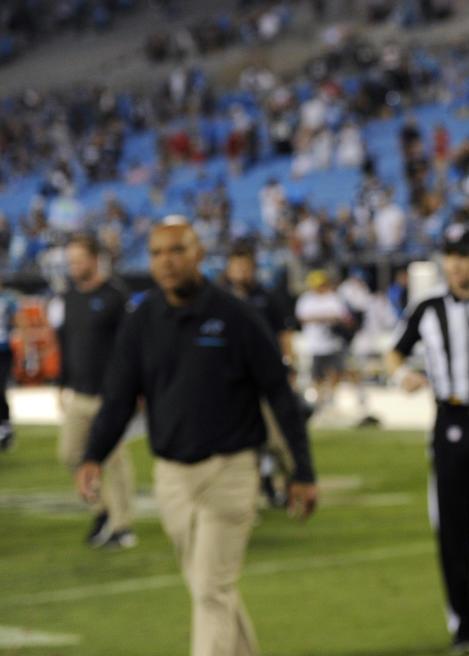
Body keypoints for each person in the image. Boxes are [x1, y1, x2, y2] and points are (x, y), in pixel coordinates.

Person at [76, 217, 318, 656]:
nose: (166, 262)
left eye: (176, 251)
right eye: (156, 253)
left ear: (198, 253)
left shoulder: (236, 315)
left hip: (229, 471)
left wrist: (302, 469)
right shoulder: (142, 319)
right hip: (171, 477)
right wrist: (93, 454)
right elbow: (118, 398)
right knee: (212, 590)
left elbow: (279, 395)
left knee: (209, 588)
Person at [388, 222, 469, 654]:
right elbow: (395, 349)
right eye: (451, 257)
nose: (458, 265)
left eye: (465, 255)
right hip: (450, 421)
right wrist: (404, 374)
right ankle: (463, 626)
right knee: (452, 529)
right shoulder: (427, 307)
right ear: (444, 261)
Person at [57, 232, 137, 547]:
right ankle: (102, 509)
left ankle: (123, 527)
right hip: (79, 392)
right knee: (69, 453)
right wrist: (62, 382)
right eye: (70, 261)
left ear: (94, 259)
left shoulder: (116, 295)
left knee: (114, 460)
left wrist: (133, 388)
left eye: (78, 260)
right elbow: (68, 342)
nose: (73, 266)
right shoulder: (70, 296)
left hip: (111, 394)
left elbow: (130, 346)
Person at [223, 240, 299, 508]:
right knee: (240, 444)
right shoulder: (220, 299)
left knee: (277, 440)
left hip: (265, 380)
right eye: (236, 266)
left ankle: (295, 482)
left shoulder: (267, 298)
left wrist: (289, 365)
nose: (241, 272)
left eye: (245, 267)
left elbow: (284, 333)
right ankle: (256, 490)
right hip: (232, 383)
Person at [294, 269, 354, 409]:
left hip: (334, 343)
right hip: (315, 344)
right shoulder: (306, 299)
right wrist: (326, 317)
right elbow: (302, 319)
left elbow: (343, 317)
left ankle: (330, 399)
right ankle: (320, 401)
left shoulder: (333, 297)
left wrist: (321, 318)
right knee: (317, 375)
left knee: (337, 372)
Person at [0, 277, 16, 452]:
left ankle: (5, 426)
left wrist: (27, 349)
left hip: (3, 351)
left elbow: (20, 322)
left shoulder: (8, 300)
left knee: (0, 388)